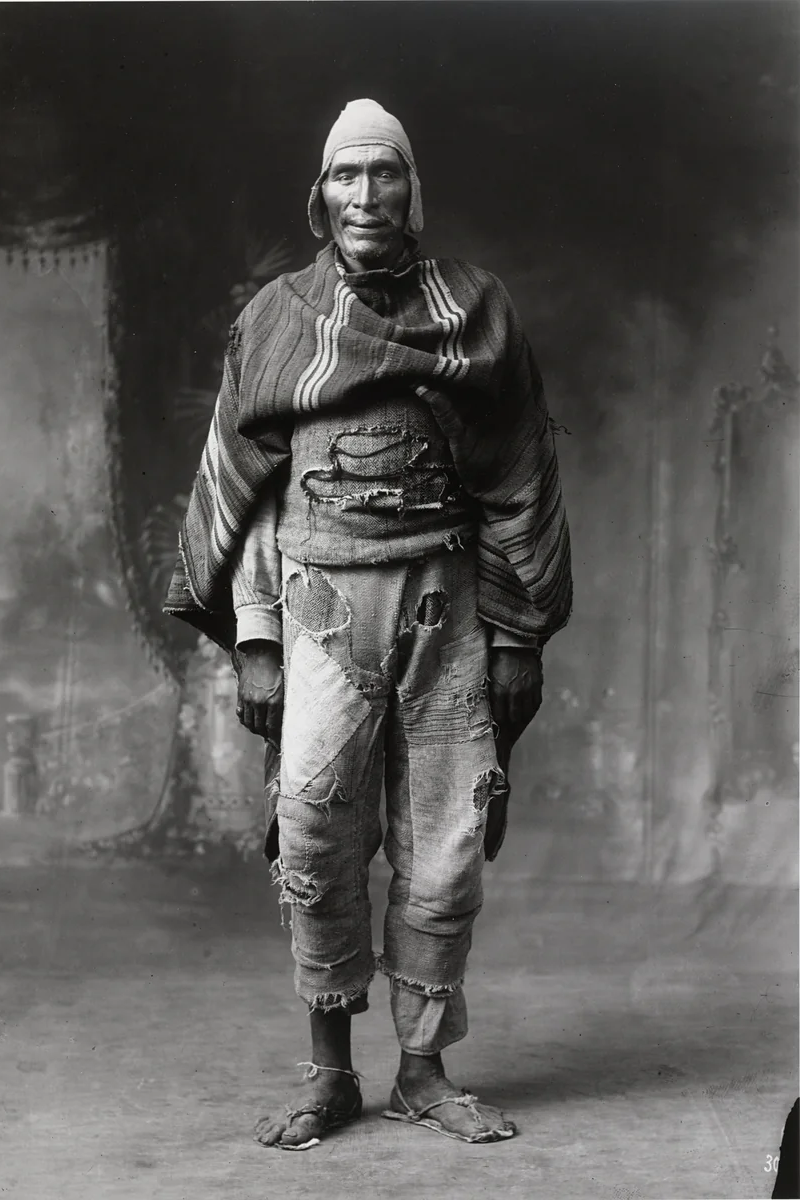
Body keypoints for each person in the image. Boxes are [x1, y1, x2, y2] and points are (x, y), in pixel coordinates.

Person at [164, 98, 572, 1149]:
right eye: (345, 177)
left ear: (411, 188)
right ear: (320, 196)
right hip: (317, 611)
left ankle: (424, 1074)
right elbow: (245, 494)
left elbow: (520, 474)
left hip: (448, 614)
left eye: (381, 174)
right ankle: (330, 1073)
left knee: (444, 846)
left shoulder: (474, 313)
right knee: (313, 829)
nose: (364, 195)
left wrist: (517, 633)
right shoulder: (277, 320)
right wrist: (256, 638)